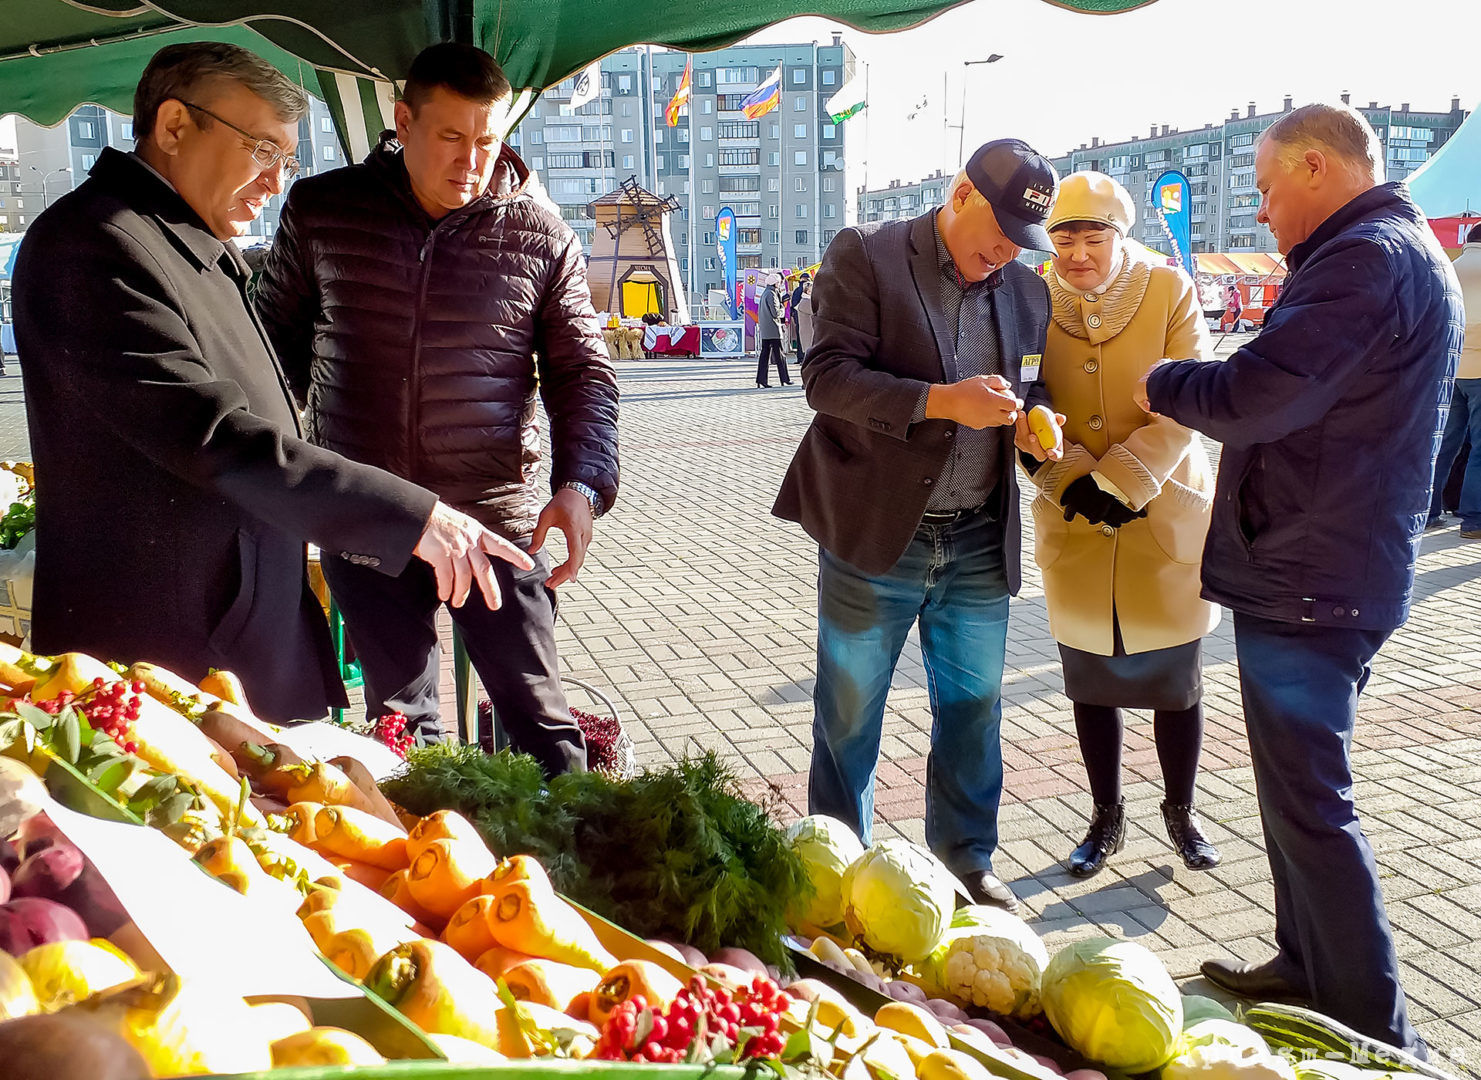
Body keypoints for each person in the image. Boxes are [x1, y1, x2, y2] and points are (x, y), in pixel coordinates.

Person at [10, 41, 532, 724]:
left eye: (287, 161)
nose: (276, 181)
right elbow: (213, 435)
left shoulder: (187, 241)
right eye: (261, 151)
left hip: (237, 642)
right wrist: (412, 515)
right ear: (174, 127)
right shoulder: (95, 243)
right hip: (161, 665)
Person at [1139, 102, 1460, 1055]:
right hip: (1324, 559)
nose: (1266, 213)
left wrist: (1160, 382)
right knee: (1291, 792)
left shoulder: (1363, 262)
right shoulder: (1386, 253)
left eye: (1270, 190)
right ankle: (1303, 964)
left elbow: (1254, 394)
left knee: (1313, 802)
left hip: (1315, 573)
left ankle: (1375, 1029)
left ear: (1317, 167)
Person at [256, 43, 618, 774]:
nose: (470, 160)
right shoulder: (324, 210)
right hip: (369, 513)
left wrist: (582, 485)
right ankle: (426, 878)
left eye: (486, 140)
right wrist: (277, 490)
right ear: (403, 121)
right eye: (450, 137)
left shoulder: (540, 236)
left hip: (494, 518)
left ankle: (561, 877)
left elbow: (583, 373)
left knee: (543, 728)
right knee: (400, 731)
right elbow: (268, 356)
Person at [774, 139, 1062, 911]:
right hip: (878, 532)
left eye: (1019, 241)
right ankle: (835, 868)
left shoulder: (1027, 295)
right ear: (960, 192)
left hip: (975, 534)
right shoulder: (866, 254)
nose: (1003, 251)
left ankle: (967, 862)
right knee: (848, 716)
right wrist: (941, 401)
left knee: (973, 712)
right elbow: (826, 379)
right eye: (996, 229)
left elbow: (1030, 391)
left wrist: (1036, 426)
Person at [1031, 172, 1221, 879]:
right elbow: (1026, 398)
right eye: (1063, 238)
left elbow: (1187, 395)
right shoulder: (1029, 295)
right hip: (1073, 515)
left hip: (1162, 511)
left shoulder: (1167, 290)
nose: (1077, 253)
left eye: (1092, 236)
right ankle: (1104, 816)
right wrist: (1073, 478)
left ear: (1119, 235)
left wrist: (1124, 481)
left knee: (1175, 681)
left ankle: (1180, 810)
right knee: (1088, 680)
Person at [1426, 221, 1481, 538]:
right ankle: (1473, 519)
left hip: (1452, 368)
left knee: (1445, 444)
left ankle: (1429, 511)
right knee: (1480, 450)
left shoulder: (1452, 267)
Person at [755, 273, 791, 387]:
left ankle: (761, 380)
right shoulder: (772, 294)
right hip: (773, 329)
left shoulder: (765, 293)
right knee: (780, 355)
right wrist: (782, 307)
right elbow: (775, 313)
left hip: (766, 329)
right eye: (779, 282)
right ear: (775, 283)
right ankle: (784, 379)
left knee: (765, 355)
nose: (780, 284)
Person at [789, 271, 812, 365]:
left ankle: (800, 357)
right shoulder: (807, 294)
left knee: (800, 339)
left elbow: (793, 304)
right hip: (808, 320)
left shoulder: (797, 290)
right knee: (809, 340)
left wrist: (794, 315)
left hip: (798, 318)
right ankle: (805, 358)